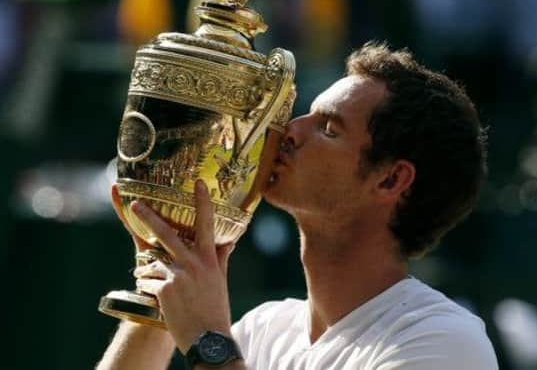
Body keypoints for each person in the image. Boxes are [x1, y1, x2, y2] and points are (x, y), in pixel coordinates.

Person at [97, 42, 498, 369]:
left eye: (328, 128)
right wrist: (163, 289)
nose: (288, 131)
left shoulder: (444, 342)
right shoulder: (263, 330)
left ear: (390, 180)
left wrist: (208, 342)